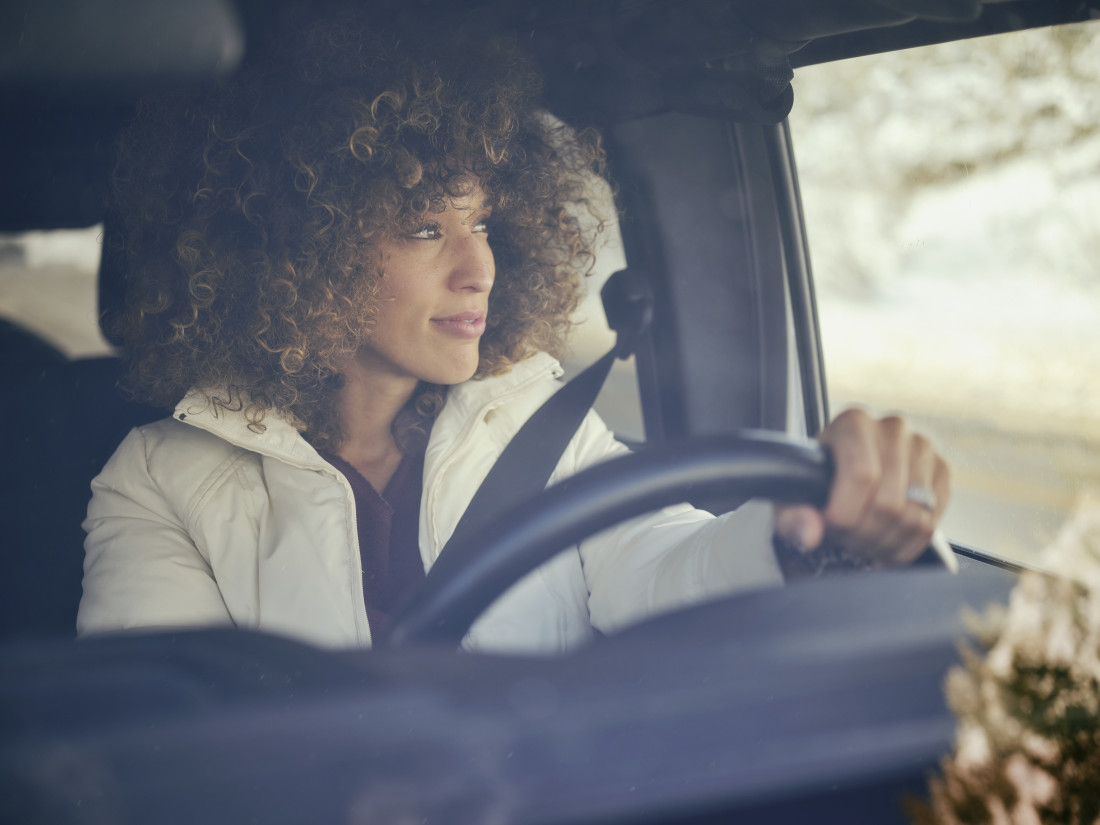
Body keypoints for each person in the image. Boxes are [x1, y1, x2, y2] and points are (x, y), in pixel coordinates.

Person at [78, 14, 950, 655]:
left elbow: (667, 561)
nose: (479, 268)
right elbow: (167, 744)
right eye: (426, 227)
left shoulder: (543, 424)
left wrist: (800, 532)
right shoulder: (161, 479)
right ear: (299, 245)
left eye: (486, 224)